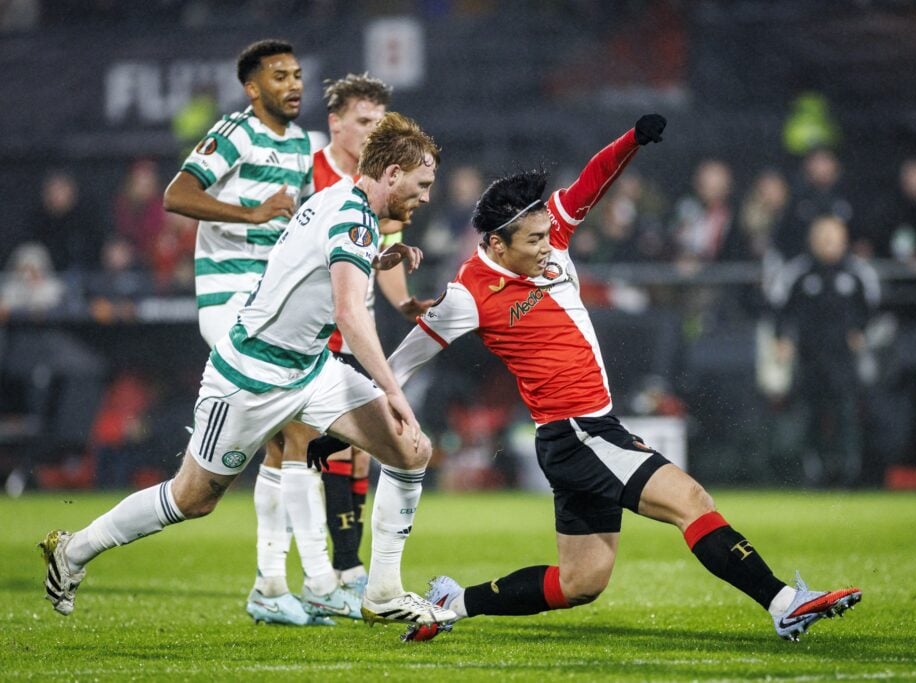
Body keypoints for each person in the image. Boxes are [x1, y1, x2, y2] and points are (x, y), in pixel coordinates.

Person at [373, 115, 861, 643]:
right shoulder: (468, 293)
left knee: (581, 582)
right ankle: (785, 604)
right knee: (691, 500)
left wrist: (632, 140)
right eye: (533, 240)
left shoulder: (553, 235)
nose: (547, 245)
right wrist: (356, 420)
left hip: (579, 434)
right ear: (495, 244)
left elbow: (593, 180)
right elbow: (401, 362)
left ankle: (453, 603)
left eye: (546, 235)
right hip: (578, 434)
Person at [40, 111, 457, 629]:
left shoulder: (342, 201)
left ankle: (384, 592)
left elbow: (316, 260)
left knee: (412, 450)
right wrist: (393, 390)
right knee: (192, 499)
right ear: (392, 174)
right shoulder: (352, 219)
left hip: (309, 370)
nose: (426, 196)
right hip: (250, 378)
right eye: (422, 184)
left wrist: (377, 258)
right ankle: (74, 550)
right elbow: (350, 315)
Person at [162, 39, 352, 625]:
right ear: (252, 88)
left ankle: (273, 584)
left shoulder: (300, 145)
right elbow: (177, 194)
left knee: (288, 440)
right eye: (279, 76)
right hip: (228, 301)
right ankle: (318, 580)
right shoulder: (234, 132)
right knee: (296, 430)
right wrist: (250, 214)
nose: (293, 85)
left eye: (297, 75)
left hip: (269, 302)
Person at [300, 73, 434, 602]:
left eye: (379, 121)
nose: (372, 130)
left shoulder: (385, 188)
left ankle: (344, 568)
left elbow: (383, 254)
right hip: (311, 328)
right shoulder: (308, 170)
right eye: (364, 121)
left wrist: (403, 303)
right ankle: (307, 574)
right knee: (296, 451)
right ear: (336, 124)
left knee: (354, 449)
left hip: (355, 324)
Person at [769, 215, 880, 487]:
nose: (829, 243)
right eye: (823, 237)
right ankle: (813, 470)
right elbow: (780, 309)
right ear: (812, 240)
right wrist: (783, 339)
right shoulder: (798, 272)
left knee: (847, 413)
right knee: (810, 413)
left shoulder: (857, 272)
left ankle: (849, 470)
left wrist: (861, 332)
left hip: (845, 357)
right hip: (808, 356)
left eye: (834, 237)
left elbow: (873, 307)